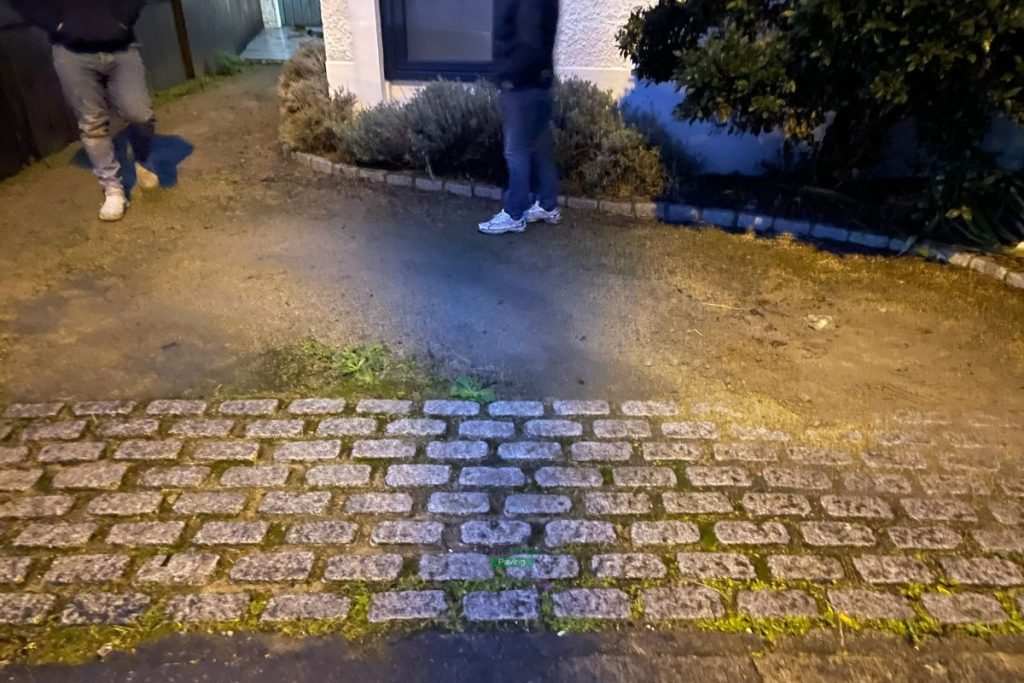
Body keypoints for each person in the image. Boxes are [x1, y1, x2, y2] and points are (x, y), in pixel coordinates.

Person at [11, 0, 161, 222]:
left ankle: (142, 159)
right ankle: (113, 190)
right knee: (92, 123)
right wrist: (56, 23)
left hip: (121, 47)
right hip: (72, 53)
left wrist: (120, 20)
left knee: (139, 114)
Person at [479, 0, 561, 235]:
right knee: (541, 149)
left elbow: (526, 42)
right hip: (540, 83)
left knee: (516, 152)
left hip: (521, 85)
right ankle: (548, 204)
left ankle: (514, 214)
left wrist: (507, 76)